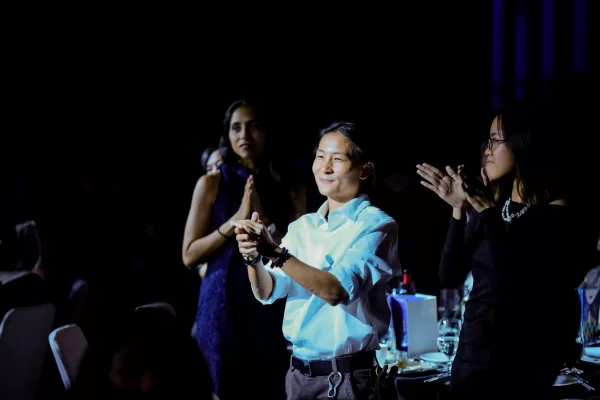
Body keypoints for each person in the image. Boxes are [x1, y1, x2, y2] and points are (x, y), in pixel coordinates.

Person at [416, 101, 596, 399]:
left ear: (526, 144)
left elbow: (513, 277)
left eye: (496, 140)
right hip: (472, 351)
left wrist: (486, 212)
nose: (487, 149)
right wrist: (459, 211)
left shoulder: (556, 215)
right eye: (487, 140)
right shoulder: (496, 210)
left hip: (519, 358)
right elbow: (449, 276)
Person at [232, 121, 401, 400]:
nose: (325, 167)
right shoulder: (303, 227)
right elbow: (269, 290)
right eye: (320, 156)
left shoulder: (376, 225)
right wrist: (252, 258)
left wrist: (274, 252)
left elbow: (336, 291)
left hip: (347, 378)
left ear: (365, 170)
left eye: (337, 159)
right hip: (298, 375)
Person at [182, 99, 304, 399]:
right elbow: (189, 255)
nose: (244, 135)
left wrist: (267, 227)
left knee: (269, 386)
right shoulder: (211, 182)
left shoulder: (291, 184)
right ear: (227, 135)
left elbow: (301, 252)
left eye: (254, 126)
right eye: (236, 128)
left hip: (270, 300)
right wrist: (234, 221)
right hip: (222, 301)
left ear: (268, 132)